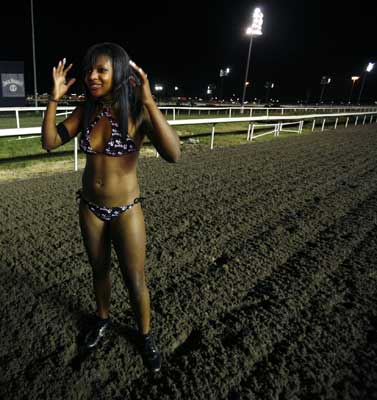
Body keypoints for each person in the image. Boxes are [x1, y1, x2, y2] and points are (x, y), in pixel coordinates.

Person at [41, 42, 181, 372]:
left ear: (117, 72)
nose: (92, 75)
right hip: (90, 207)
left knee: (135, 279)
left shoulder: (137, 111)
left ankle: (145, 336)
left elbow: (174, 154)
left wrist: (148, 100)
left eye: (101, 70)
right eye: (89, 69)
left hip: (126, 210)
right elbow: (49, 142)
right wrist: (54, 99)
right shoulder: (86, 110)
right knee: (99, 271)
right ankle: (102, 319)